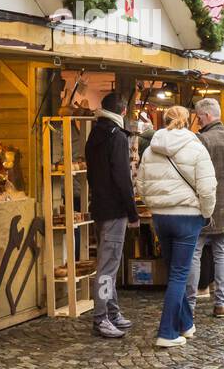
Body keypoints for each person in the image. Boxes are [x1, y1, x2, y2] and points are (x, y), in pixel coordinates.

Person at [136, 105, 216, 349]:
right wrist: (206, 212)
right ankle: (167, 332)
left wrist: (155, 205)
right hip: (187, 215)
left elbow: (140, 184)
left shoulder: (151, 149)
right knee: (179, 274)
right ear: (188, 121)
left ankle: (185, 323)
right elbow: (207, 187)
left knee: (174, 272)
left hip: (161, 216)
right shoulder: (196, 148)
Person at [85, 92, 138, 338]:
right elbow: (123, 179)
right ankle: (101, 317)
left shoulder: (95, 134)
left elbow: (91, 175)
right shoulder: (117, 137)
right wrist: (132, 210)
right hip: (115, 209)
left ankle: (113, 311)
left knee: (110, 262)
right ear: (123, 111)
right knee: (108, 266)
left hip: (99, 206)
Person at [188, 98, 224, 320]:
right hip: (223, 208)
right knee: (222, 253)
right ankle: (220, 304)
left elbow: (192, 172)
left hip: (202, 207)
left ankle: (190, 304)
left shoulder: (201, 140)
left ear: (206, 116)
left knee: (195, 253)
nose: (197, 121)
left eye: (199, 117)